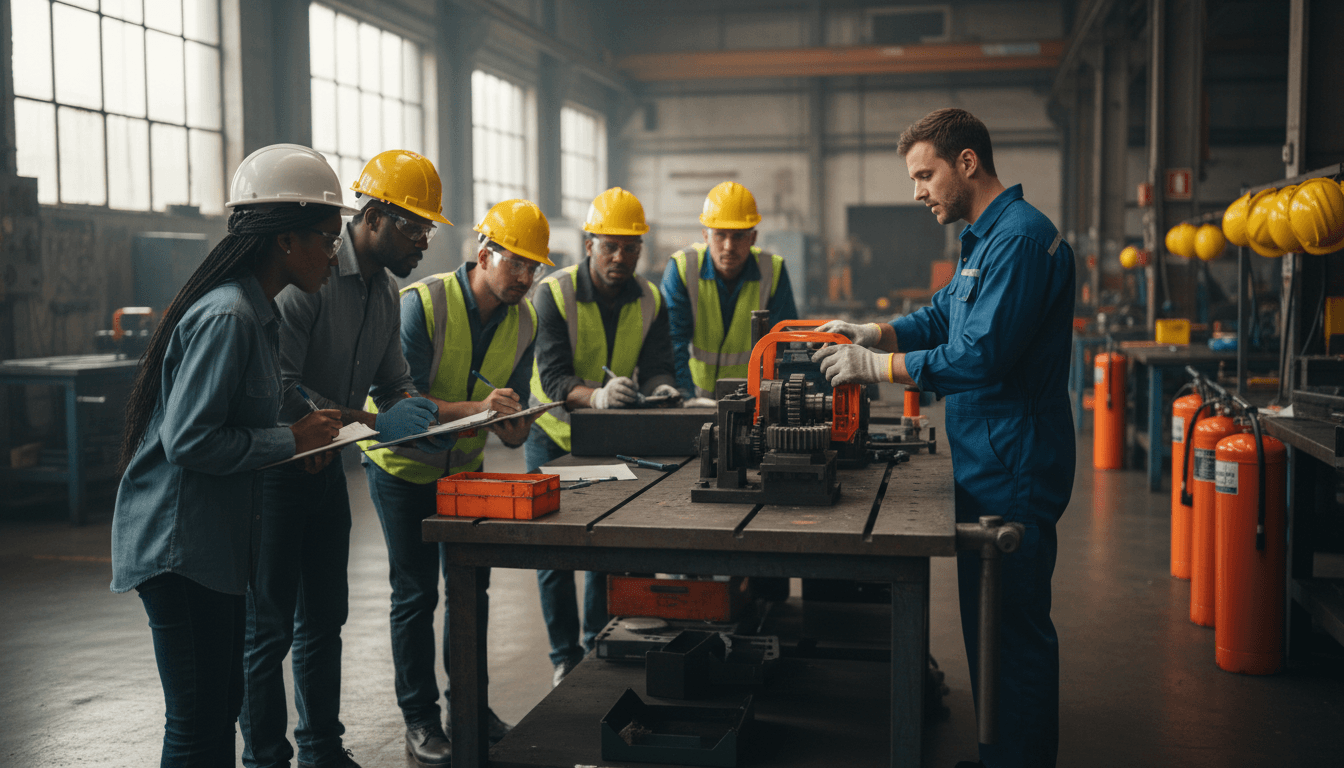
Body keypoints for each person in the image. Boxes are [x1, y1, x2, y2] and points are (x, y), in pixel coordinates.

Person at [812, 108, 1076, 768]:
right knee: (991, 623)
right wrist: (877, 333)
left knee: (1011, 629)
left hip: (1012, 461)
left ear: (967, 163)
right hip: (988, 455)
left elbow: (980, 354)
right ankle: (1001, 755)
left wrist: (878, 368)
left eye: (925, 175)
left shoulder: (1019, 240)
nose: (917, 192)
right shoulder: (985, 239)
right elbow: (942, 317)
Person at [110, 143, 351, 767]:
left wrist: (307, 426)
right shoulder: (230, 317)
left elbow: (255, 407)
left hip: (211, 547)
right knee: (198, 727)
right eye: (327, 239)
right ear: (285, 239)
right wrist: (291, 440)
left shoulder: (258, 312)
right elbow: (188, 441)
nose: (334, 254)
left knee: (219, 712)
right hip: (179, 549)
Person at [240, 149, 452, 768]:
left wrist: (418, 415)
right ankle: (265, 758)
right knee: (270, 627)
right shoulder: (309, 282)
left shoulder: (387, 294)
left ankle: (321, 749)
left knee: (324, 617)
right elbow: (283, 392)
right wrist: (374, 422)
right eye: (413, 227)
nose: (423, 243)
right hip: (277, 473)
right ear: (374, 217)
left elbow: (394, 383)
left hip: (327, 470)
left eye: (428, 230)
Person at [361, 198, 550, 763]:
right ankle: (420, 720)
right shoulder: (422, 304)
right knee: (415, 595)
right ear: (484, 254)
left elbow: (510, 417)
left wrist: (516, 425)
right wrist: (481, 409)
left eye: (533, 267)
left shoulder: (525, 321)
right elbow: (404, 403)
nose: (525, 277)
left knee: (472, 590)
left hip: (465, 471)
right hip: (402, 469)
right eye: (516, 262)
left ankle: (470, 705)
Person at [524, 187, 678, 686]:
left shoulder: (651, 298)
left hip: (607, 440)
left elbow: (658, 364)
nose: (619, 257)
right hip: (553, 436)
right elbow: (553, 378)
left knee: (600, 543)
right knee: (554, 553)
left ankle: (595, 644)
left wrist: (662, 388)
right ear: (589, 244)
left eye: (630, 248)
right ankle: (563, 656)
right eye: (609, 246)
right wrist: (597, 397)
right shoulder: (553, 293)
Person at [662, 181, 798, 402]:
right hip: (697, 397)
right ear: (705, 236)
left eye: (738, 236)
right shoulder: (683, 268)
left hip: (753, 401)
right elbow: (672, 343)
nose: (728, 246)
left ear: (753, 238)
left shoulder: (772, 271)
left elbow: (783, 346)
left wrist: (772, 401)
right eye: (720, 235)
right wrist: (685, 398)